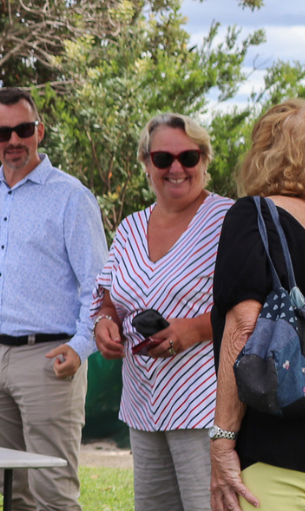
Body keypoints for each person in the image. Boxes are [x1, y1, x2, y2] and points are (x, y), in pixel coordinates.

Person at [0, 88, 106, 511]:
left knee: (54, 494)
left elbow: (97, 287)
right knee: (11, 492)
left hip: (48, 360)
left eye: (23, 129)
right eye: (2, 132)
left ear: (39, 130)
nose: (14, 141)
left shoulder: (71, 197)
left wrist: (81, 348)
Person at [90, 114, 231, 511]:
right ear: (146, 163)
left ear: (204, 159)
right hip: (143, 403)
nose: (175, 168)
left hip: (203, 401)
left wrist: (198, 329)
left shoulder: (229, 220)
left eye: (188, 156)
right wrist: (105, 323)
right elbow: (107, 297)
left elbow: (251, 304)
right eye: (162, 158)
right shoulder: (131, 227)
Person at [209, 98, 305, 511]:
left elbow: (243, 326)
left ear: (262, 152)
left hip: (278, 460)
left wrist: (222, 443)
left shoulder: (253, 216)